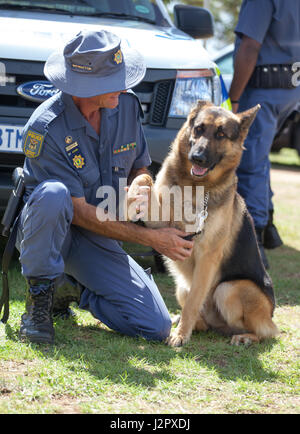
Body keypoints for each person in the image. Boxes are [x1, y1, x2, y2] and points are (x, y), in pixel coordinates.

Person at [16, 30, 194, 344]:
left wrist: (142, 182)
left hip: (97, 234)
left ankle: (72, 287)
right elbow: (80, 213)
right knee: (54, 196)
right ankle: (38, 302)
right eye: (114, 80)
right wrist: (152, 238)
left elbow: (140, 164)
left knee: (155, 326)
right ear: (84, 87)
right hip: (51, 233)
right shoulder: (47, 127)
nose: (125, 86)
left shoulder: (125, 106)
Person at [229, 0, 300, 269]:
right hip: (289, 89)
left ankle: (254, 239)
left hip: (262, 89)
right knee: (260, 158)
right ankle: (268, 225)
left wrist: (233, 99)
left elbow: (250, 47)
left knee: (249, 163)